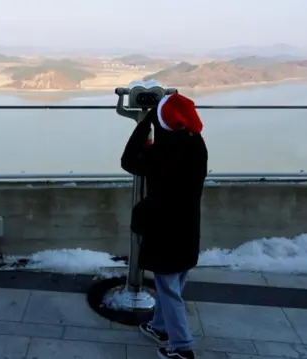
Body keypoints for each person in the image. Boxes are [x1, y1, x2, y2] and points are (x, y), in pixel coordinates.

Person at [120, 92, 208, 359]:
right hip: (188, 227)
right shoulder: (196, 144)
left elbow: (128, 161)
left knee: (169, 290)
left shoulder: (161, 153)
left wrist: (144, 123)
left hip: (165, 231)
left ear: (163, 120)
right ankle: (160, 327)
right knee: (172, 283)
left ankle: (182, 348)